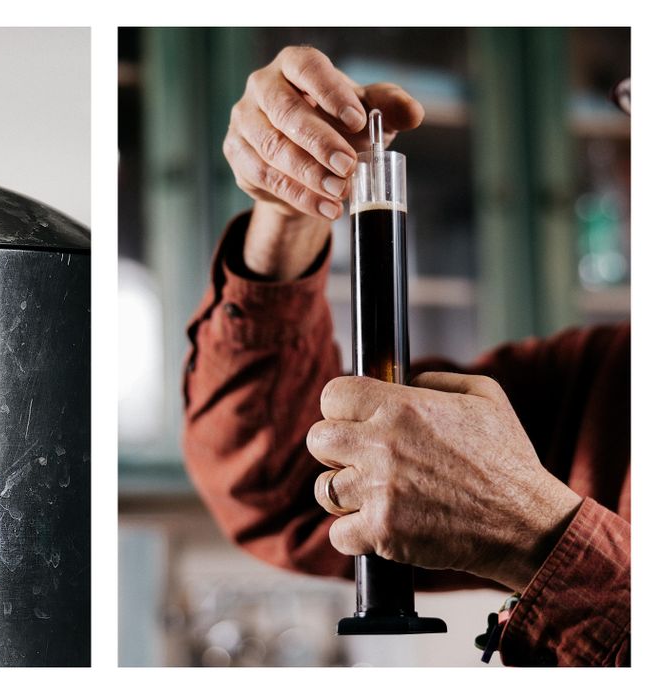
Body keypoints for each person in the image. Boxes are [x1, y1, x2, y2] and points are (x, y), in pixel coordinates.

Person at [182, 45, 630, 667]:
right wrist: (291, 208)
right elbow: (281, 484)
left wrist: (539, 536)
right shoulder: (611, 380)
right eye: (635, 102)